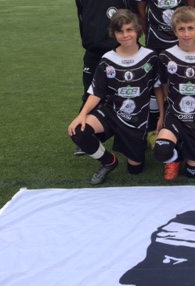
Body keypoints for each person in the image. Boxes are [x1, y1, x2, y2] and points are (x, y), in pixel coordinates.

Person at [68, 10, 161, 185]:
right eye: (120, 31)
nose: (125, 35)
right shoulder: (108, 59)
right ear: (114, 33)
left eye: (129, 30)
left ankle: (133, 146)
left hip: (136, 120)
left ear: (137, 30)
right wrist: (82, 114)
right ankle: (108, 161)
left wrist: (161, 115)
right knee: (78, 131)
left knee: (135, 170)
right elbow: (96, 92)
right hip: (111, 113)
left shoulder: (150, 57)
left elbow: (158, 88)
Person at [153, 7, 195, 181]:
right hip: (175, 116)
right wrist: (162, 116)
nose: (186, 34)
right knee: (161, 150)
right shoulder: (166, 56)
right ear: (175, 31)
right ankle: (176, 157)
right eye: (181, 29)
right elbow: (163, 87)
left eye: (190, 28)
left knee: (192, 173)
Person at [74, 0, 137, 108]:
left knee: (120, 101)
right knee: (89, 101)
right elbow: (83, 24)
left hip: (118, 56)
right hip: (92, 57)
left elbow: (133, 26)